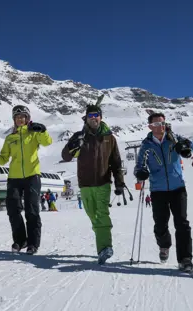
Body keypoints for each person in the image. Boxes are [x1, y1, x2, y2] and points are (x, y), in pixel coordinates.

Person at [61, 101, 124, 264]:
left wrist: (119, 182)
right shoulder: (80, 136)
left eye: (96, 115)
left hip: (103, 182)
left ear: (101, 118)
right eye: (90, 115)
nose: (94, 118)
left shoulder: (109, 138)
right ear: (86, 119)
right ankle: (102, 245)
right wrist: (72, 145)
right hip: (85, 184)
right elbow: (66, 157)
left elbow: (116, 162)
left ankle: (105, 247)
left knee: (102, 214)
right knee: (92, 214)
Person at [134, 111, 193, 271]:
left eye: (162, 123)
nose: (159, 127)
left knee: (182, 223)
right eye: (156, 124)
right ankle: (164, 246)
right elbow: (139, 164)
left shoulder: (173, 138)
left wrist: (186, 145)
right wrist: (140, 172)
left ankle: (185, 259)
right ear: (150, 126)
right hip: (158, 190)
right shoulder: (146, 145)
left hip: (178, 187)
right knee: (160, 224)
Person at [0, 105, 52, 255]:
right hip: (14, 177)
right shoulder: (10, 138)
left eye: (23, 116)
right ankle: (20, 240)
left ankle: (33, 244)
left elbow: (47, 142)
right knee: (13, 210)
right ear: (14, 120)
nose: (20, 119)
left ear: (28, 118)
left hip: (32, 176)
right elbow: (4, 158)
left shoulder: (34, 133)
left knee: (32, 210)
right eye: (17, 117)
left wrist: (42, 130)